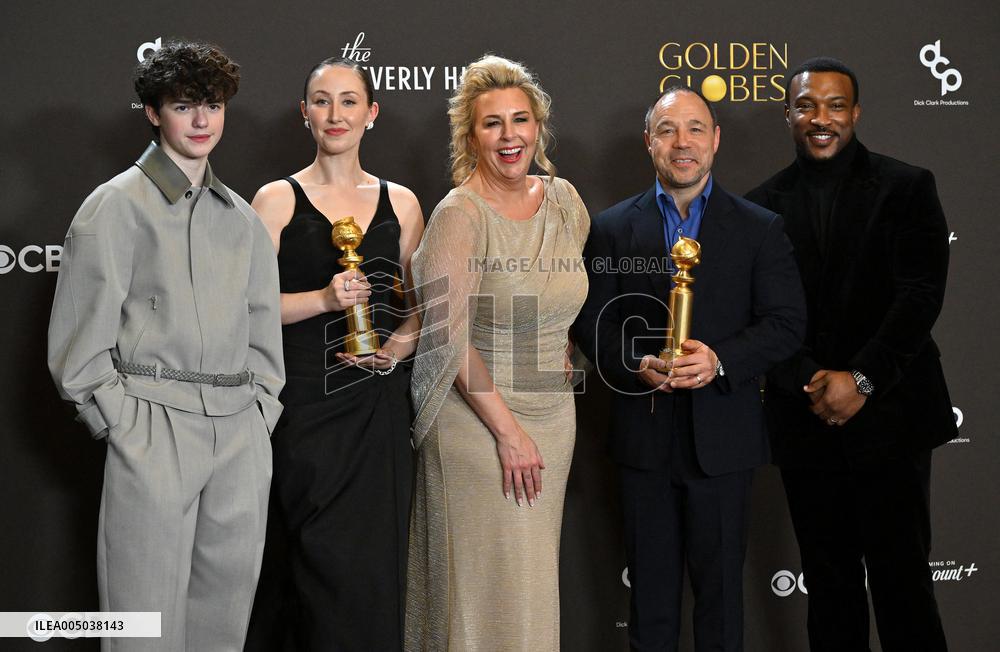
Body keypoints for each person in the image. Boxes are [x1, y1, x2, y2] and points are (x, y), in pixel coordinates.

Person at [47, 41, 284, 651]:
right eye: (185, 107)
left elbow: (263, 335)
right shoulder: (112, 207)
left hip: (238, 435)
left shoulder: (242, 219)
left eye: (212, 106)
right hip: (151, 429)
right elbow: (80, 346)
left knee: (223, 626)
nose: (202, 121)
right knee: (140, 628)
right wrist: (126, 428)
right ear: (153, 113)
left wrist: (260, 417)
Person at [573, 86, 806, 652]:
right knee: (649, 607)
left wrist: (721, 359)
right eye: (669, 131)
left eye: (696, 129)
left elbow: (786, 323)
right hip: (642, 443)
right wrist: (636, 363)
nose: (683, 144)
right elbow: (590, 323)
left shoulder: (759, 227)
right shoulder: (608, 228)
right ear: (649, 142)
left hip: (723, 445)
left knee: (722, 605)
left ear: (716, 139)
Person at [746, 57, 954, 652]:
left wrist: (860, 379)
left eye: (835, 106)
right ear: (789, 114)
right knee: (830, 589)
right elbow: (761, 317)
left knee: (904, 585)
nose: (821, 118)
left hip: (893, 417)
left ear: (855, 113)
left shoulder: (909, 186)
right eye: (807, 105)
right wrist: (812, 378)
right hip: (806, 418)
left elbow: (920, 297)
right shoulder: (760, 207)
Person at [405, 54, 589, 651]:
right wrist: (508, 434)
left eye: (521, 120)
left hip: (553, 416)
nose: (510, 136)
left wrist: (556, 338)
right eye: (492, 124)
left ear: (539, 126)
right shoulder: (459, 215)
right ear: (470, 135)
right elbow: (449, 338)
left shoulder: (565, 202)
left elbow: (558, 288)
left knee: (530, 584)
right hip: (477, 420)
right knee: (486, 587)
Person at [243, 57, 424, 651]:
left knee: (373, 568)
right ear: (304, 114)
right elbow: (242, 308)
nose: (336, 114)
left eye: (349, 101)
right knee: (310, 564)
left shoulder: (402, 203)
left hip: (377, 410)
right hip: (302, 407)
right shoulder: (274, 199)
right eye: (322, 101)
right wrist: (323, 298)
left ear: (372, 114)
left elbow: (427, 304)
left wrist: (397, 347)